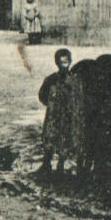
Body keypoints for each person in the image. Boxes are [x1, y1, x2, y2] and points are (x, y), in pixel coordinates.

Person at [37, 47, 73, 175]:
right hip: (53, 114)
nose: (64, 65)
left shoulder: (73, 80)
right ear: (56, 63)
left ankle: (61, 164)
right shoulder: (51, 79)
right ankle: (46, 162)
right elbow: (42, 95)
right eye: (61, 62)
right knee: (49, 137)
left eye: (66, 62)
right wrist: (51, 104)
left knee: (64, 138)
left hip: (67, 115)